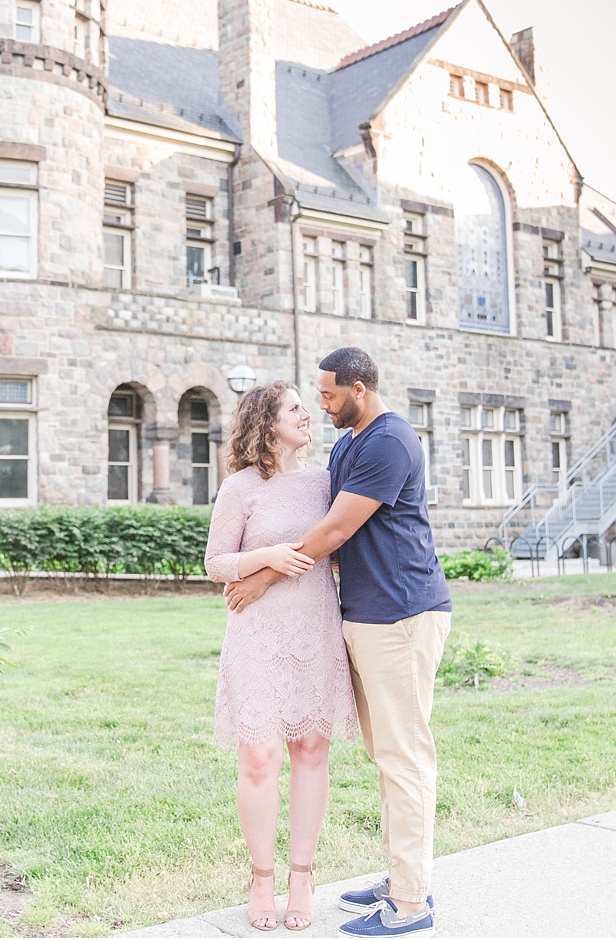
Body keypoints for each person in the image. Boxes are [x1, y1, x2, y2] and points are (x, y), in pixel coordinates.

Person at [225, 348, 451, 939]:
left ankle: (410, 901)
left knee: (404, 756)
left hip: (402, 613)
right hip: (362, 617)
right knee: (387, 752)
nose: (319, 407)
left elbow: (335, 529)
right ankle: (401, 875)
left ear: (357, 388)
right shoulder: (349, 443)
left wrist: (263, 576)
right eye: (307, 400)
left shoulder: (388, 442)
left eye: (325, 396)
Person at [205, 380, 358, 932]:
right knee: (259, 758)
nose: (307, 415)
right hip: (258, 635)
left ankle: (303, 875)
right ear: (266, 422)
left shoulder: (325, 484)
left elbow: (338, 542)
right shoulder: (239, 488)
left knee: (311, 749)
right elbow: (216, 564)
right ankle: (262, 877)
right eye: (295, 408)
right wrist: (266, 555)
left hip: (315, 627)